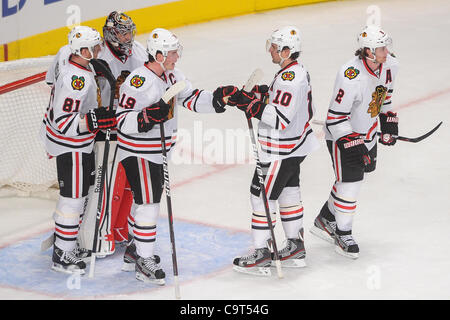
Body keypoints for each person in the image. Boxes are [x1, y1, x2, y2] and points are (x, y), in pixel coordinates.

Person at [116, 27, 237, 284]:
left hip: (157, 150)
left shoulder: (173, 76)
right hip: (138, 151)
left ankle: (135, 249)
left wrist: (217, 99)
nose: (176, 57)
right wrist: (146, 116)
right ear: (158, 54)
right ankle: (143, 261)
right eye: (171, 53)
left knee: (143, 201)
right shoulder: (138, 81)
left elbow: (190, 97)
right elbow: (121, 120)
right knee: (149, 203)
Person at [228, 26, 320, 276]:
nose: (270, 49)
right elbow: (279, 100)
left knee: (260, 197)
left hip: (280, 150)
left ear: (287, 50)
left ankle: (261, 253)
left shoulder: (291, 78)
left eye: (274, 46)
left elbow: (279, 118)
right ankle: (294, 246)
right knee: (289, 192)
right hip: (293, 147)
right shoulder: (293, 72)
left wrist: (250, 104)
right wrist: (259, 95)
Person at [310, 25, 399, 259]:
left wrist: (388, 123)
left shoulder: (391, 65)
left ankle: (325, 219)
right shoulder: (350, 74)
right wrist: (354, 143)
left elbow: (384, 97)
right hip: (342, 135)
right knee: (351, 182)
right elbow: (335, 117)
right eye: (380, 48)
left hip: (368, 131)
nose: (385, 51)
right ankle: (343, 233)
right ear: (368, 52)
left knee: (356, 175)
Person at [40, 26, 116, 274]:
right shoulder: (76, 80)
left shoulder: (71, 58)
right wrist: (91, 121)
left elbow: (50, 81)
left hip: (78, 144)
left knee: (79, 196)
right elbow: (64, 123)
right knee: (72, 199)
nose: (98, 50)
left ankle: (65, 244)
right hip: (70, 145)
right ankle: (62, 254)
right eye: (94, 48)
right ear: (82, 50)